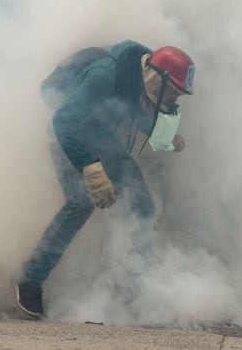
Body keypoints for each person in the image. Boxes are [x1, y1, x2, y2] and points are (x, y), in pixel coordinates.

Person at [15, 40, 195, 319]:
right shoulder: (105, 75)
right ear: (156, 80)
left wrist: (169, 140)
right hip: (68, 135)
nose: (173, 102)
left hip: (99, 135)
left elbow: (141, 117)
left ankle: (134, 292)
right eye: (173, 94)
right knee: (81, 202)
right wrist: (90, 168)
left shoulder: (141, 83)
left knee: (142, 207)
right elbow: (64, 122)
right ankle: (30, 280)